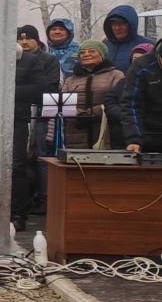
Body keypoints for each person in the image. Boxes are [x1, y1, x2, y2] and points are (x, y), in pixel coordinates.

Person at [14, 25, 63, 225]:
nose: (24, 42)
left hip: (36, 115)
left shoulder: (41, 60)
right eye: (20, 39)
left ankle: (32, 204)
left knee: (32, 159)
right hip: (4, 118)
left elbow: (44, 87)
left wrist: (9, 90)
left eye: (28, 39)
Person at [60, 39, 126, 150]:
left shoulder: (116, 75)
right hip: (76, 131)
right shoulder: (70, 80)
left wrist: (92, 113)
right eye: (82, 52)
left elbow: (119, 101)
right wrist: (79, 115)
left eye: (91, 51)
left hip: (105, 129)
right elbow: (63, 103)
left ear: (102, 55)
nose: (86, 54)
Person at [102, 5, 145, 72]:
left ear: (131, 25)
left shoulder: (144, 45)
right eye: (114, 24)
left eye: (121, 24)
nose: (117, 28)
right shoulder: (104, 45)